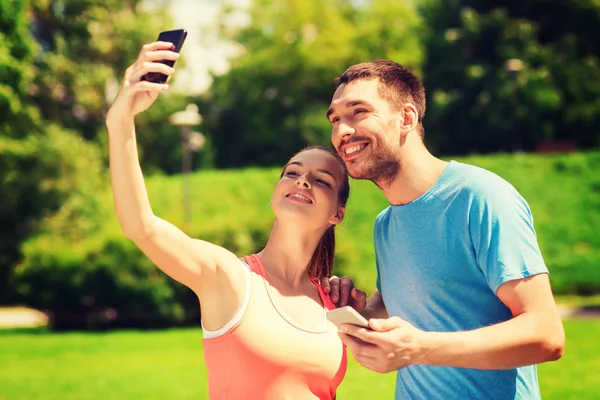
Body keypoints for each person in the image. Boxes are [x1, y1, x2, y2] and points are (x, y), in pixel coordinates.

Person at [106, 40, 350, 400]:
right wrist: (120, 121)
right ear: (275, 194)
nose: (302, 180)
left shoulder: (333, 302)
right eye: (292, 172)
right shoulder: (230, 278)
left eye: (321, 180)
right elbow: (140, 225)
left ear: (337, 215)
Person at [322, 60, 565, 399]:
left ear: (407, 118)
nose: (341, 131)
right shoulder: (386, 224)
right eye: (335, 119)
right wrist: (360, 308)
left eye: (358, 112)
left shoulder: (480, 197)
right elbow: (418, 307)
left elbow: (546, 335)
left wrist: (419, 348)